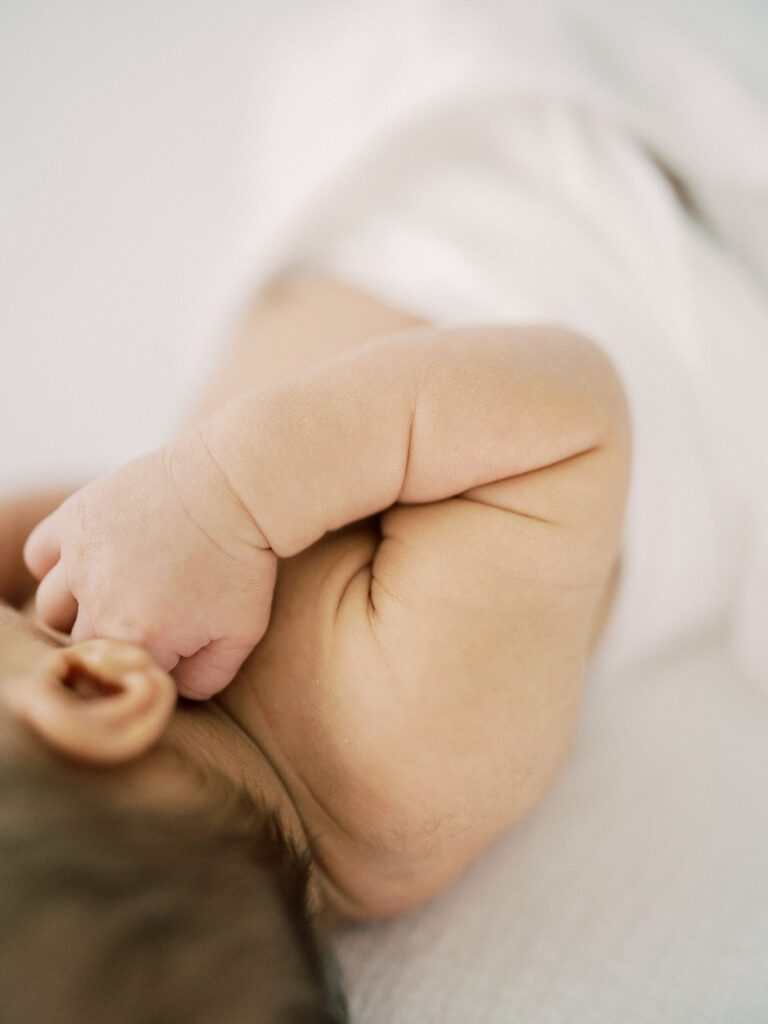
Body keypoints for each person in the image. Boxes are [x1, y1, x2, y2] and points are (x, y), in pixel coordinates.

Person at [0, 272, 629, 1021]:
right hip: (547, 248)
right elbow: (567, 416)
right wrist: (228, 494)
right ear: (93, 695)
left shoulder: (117, 673)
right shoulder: (409, 744)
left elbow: (88, 532)